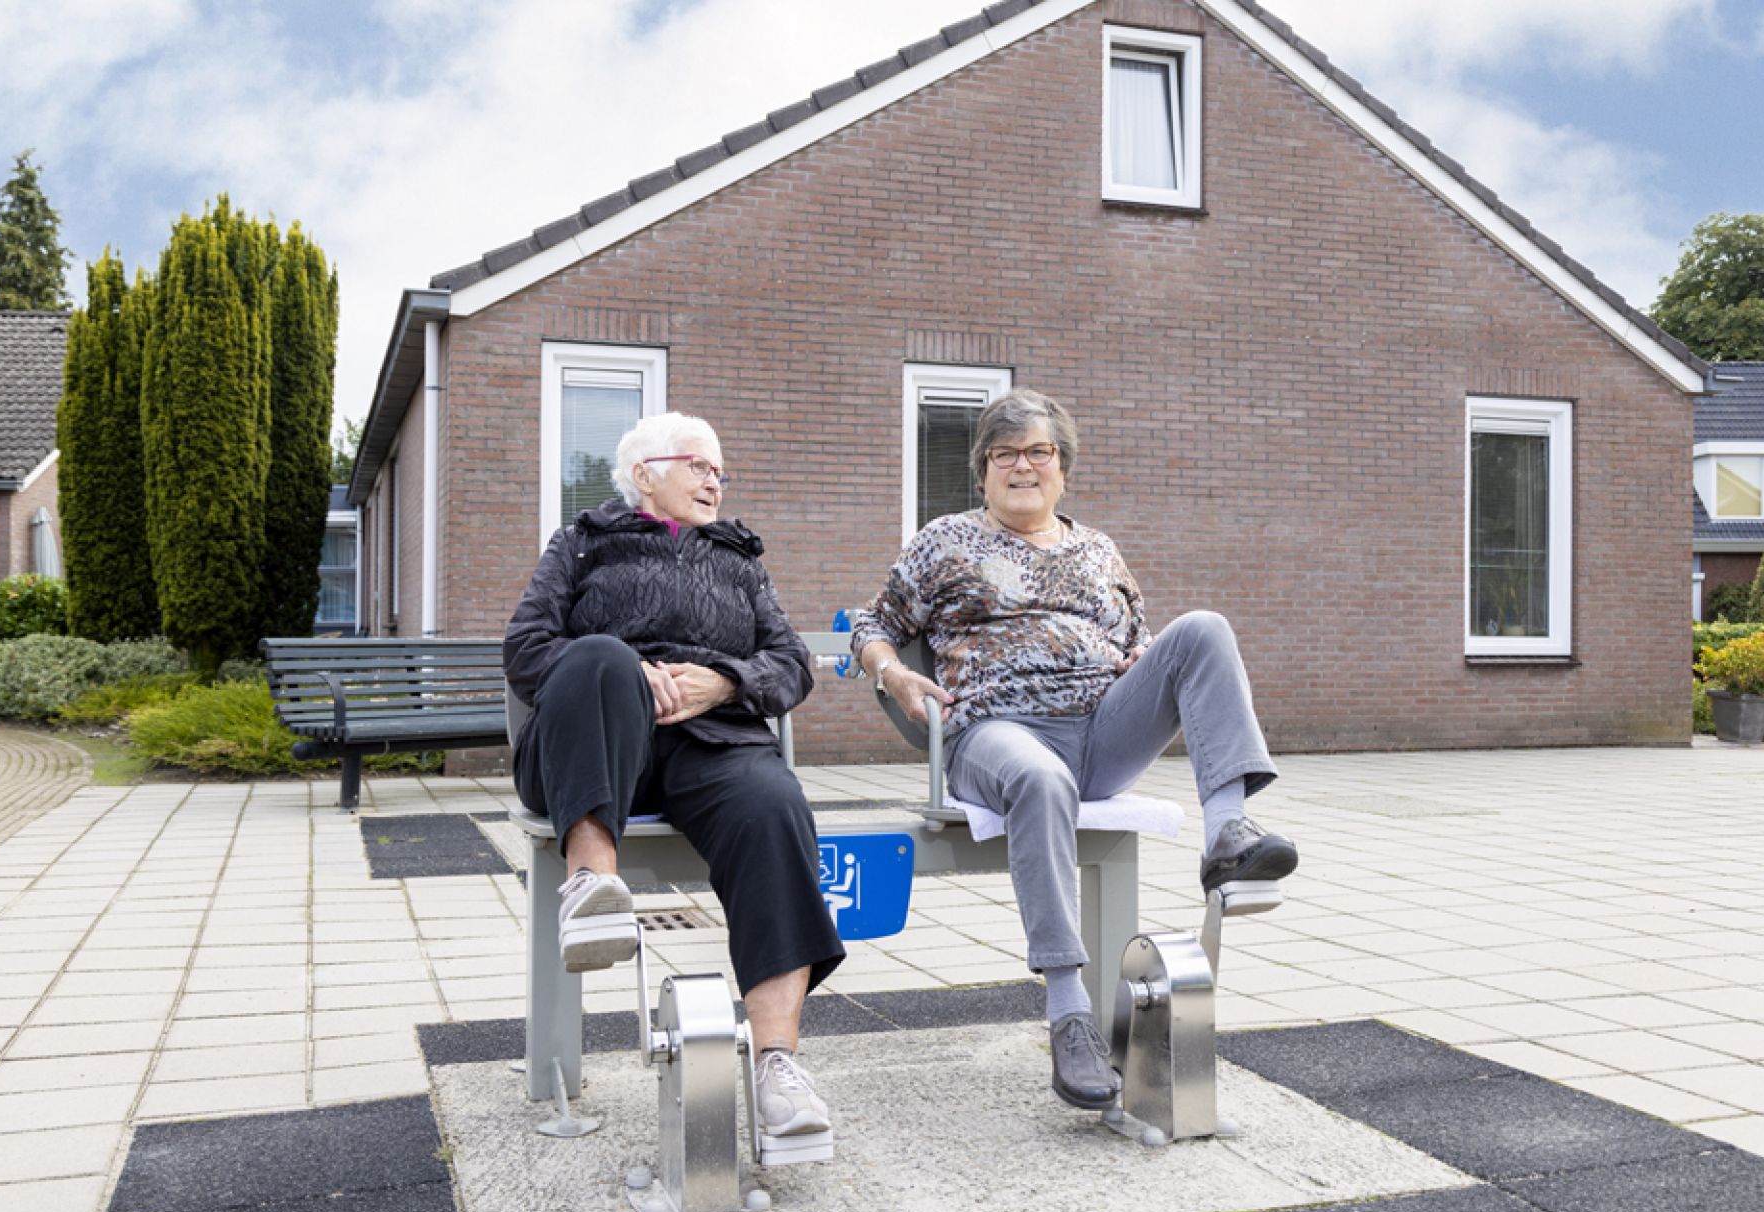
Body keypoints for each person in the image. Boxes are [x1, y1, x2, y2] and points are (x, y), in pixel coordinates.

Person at [849, 389, 1297, 1112]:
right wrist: (895, 673)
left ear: (1063, 467)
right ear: (983, 470)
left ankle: (1227, 835)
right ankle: (1069, 1015)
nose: (1022, 466)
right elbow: (872, 620)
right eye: (1005, 454)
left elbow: (1139, 640)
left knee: (1204, 629)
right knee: (1042, 779)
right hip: (997, 731)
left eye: (1039, 452)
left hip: (1101, 730)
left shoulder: (1098, 549)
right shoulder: (945, 541)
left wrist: (1137, 660)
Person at [504, 411, 844, 1140]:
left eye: (720, 469)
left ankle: (778, 1066)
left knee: (774, 805)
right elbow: (526, 648)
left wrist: (722, 682)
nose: (714, 479)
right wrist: (627, 670)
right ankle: (592, 888)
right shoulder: (584, 542)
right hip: (591, 740)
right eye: (697, 464)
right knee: (597, 654)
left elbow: (791, 665)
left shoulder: (739, 559)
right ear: (644, 475)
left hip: (712, 742)